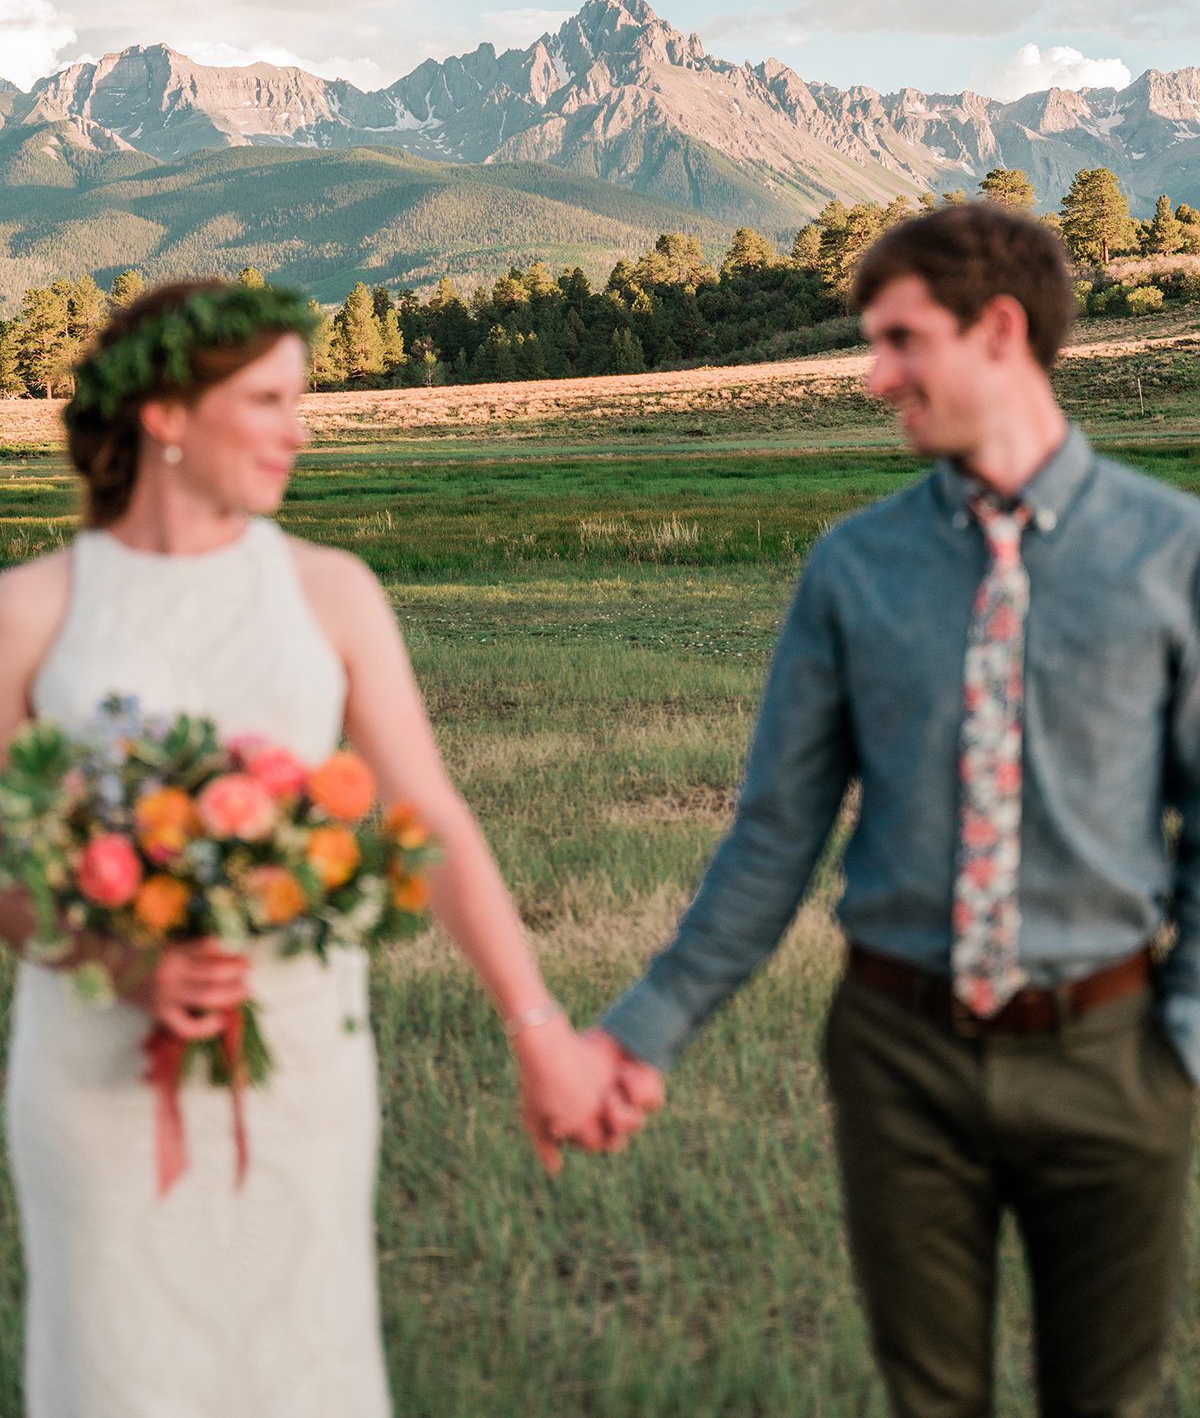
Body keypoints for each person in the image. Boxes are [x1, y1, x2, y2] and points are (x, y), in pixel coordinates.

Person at [581, 204, 1199, 1417]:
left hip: (1111, 1060)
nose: (875, 377)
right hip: (897, 1055)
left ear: (1001, 329)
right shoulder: (852, 567)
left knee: (1110, 1400)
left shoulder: (1174, 553)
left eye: (901, 340)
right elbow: (774, 834)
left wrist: (1180, 1048)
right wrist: (642, 1027)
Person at [0, 278, 631, 1418]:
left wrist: (538, 1027)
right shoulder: (32, 610)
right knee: (118, 1372)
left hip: (301, 1063)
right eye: (271, 399)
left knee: (302, 1366)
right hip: (99, 1068)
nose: (302, 427)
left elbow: (427, 816)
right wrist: (129, 958)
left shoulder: (332, 592)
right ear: (167, 415)